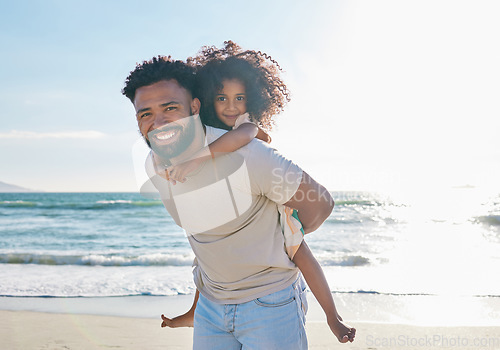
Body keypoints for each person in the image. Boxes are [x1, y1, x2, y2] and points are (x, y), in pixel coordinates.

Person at [122, 48, 339, 349]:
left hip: (270, 305)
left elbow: (321, 204)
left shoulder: (249, 157)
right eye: (145, 114)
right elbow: (202, 236)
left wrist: (285, 240)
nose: (158, 124)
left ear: (195, 107)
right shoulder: (154, 164)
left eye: (170, 108)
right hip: (211, 309)